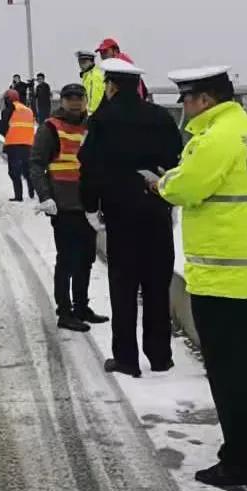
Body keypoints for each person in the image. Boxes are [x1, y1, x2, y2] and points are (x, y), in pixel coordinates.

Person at [149, 66, 247, 490]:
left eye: (186, 99)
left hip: (219, 277)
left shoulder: (215, 139)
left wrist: (161, 184)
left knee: (229, 373)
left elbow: (185, 189)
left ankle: (240, 463)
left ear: (204, 99)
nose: (183, 107)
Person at [79, 58, 184, 378]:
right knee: (156, 284)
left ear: (111, 86)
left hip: (120, 215)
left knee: (124, 287)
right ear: (137, 87)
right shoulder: (160, 117)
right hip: (156, 210)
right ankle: (160, 356)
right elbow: (176, 162)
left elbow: (89, 168)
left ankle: (126, 359)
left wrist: (90, 207)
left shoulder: (101, 120)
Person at [31, 83, 104, 333]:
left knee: (86, 260)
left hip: (88, 206)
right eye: (69, 98)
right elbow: (36, 164)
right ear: (61, 101)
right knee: (67, 261)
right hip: (63, 206)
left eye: (79, 97)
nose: (75, 102)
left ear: (85, 100)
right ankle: (65, 312)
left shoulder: (92, 126)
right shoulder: (50, 128)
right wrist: (45, 196)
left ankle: (81, 307)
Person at [0, 88, 36, 201]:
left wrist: (4, 130)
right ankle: (32, 192)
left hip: (13, 145)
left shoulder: (8, 110)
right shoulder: (28, 110)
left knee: (14, 172)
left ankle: (18, 196)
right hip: (28, 144)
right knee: (27, 170)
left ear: (8, 100)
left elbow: (3, 128)